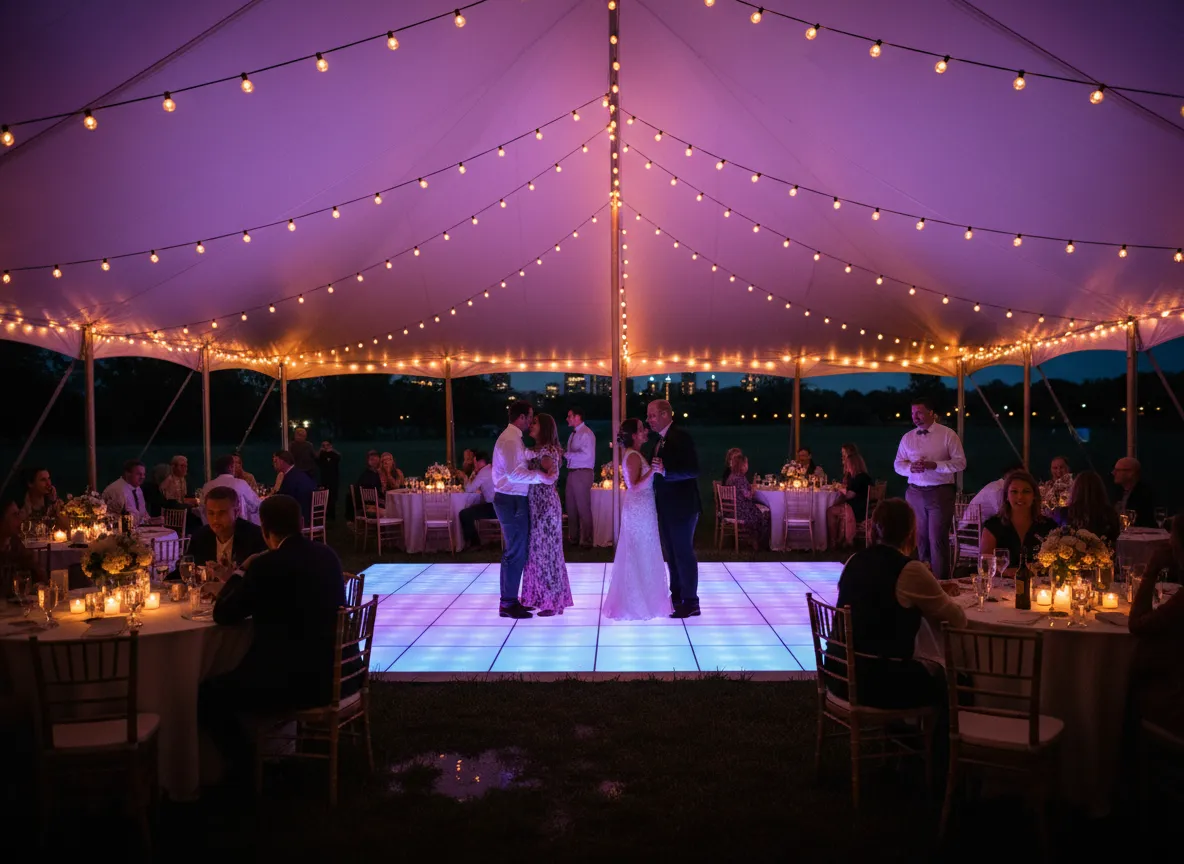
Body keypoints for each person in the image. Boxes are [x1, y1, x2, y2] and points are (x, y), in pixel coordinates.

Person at [197, 495, 345, 777]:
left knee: (207, 694)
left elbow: (223, 614)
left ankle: (246, 767)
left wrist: (241, 571)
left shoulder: (266, 566)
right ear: (301, 523)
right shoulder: (328, 555)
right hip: (334, 674)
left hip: (289, 683)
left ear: (263, 528)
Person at [823, 498, 966, 709]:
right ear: (910, 532)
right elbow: (958, 620)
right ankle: (935, 741)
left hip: (837, 672)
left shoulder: (854, 560)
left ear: (874, 529)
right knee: (957, 681)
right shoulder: (910, 569)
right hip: (878, 681)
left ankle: (901, 731)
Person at [602, 418, 671, 620]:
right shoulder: (632, 456)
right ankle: (634, 602)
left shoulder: (636, 453)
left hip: (645, 508)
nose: (645, 431)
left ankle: (647, 598)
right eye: (641, 429)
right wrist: (653, 471)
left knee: (645, 550)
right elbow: (634, 485)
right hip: (638, 509)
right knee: (637, 550)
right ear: (633, 435)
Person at [492, 401, 556, 619]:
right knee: (515, 552)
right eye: (529, 417)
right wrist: (541, 476)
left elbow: (520, 458)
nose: (530, 421)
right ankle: (508, 603)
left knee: (517, 551)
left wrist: (535, 453)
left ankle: (510, 600)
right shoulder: (510, 440)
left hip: (514, 499)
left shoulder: (514, 440)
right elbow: (513, 474)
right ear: (521, 417)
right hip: (510, 499)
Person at [894, 397, 966, 580]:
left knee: (937, 539)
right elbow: (897, 464)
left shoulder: (948, 435)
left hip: (940, 491)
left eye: (919, 412)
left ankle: (943, 583)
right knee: (919, 539)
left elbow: (960, 463)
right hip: (914, 492)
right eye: (912, 413)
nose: (915, 417)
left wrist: (935, 465)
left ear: (931, 413)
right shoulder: (907, 437)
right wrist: (910, 467)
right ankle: (922, 580)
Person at [1127, 512, 1184, 739]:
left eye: (1173, 540)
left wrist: (1151, 571)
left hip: (1176, 705)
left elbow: (1137, 625)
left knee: (1120, 692)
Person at [647, 399, 702, 618]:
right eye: (648, 416)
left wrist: (667, 471)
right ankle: (677, 596)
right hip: (667, 507)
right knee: (671, 554)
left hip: (683, 507)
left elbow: (693, 469)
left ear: (664, 415)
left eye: (652, 415)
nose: (649, 420)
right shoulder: (660, 441)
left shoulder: (680, 438)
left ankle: (691, 601)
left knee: (683, 553)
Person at [520, 413, 573, 617]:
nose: (530, 425)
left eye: (534, 423)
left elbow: (551, 475)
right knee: (536, 553)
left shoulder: (547, 450)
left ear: (544, 428)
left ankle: (552, 602)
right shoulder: (535, 450)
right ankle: (536, 597)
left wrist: (545, 476)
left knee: (547, 554)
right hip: (536, 506)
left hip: (545, 508)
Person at [980, 469, 1058, 574]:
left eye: (1026, 491)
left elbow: (1058, 565)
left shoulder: (1048, 526)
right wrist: (1009, 572)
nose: (1020, 497)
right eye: (1014, 491)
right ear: (1006, 496)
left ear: (1034, 496)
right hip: (1001, 587)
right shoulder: (993, 526)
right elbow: (985, 565)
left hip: (1038, 587)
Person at [181, 485, 267, 579]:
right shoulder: (200, 536)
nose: (215, 519)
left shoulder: (255, 537)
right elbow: (187, 570)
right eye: (211, 513)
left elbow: (261, 579)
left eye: (222, 513)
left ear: (236, 512)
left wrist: (231, 576)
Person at [826, 444, 873, 549]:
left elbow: (849, 495)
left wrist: (841, 489)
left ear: (853, 465)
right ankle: (838, 540)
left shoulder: (859, 478)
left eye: (848, 465)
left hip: (857, 508)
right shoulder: (864, 476)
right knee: (834, 509)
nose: (846, 468)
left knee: (830, 511)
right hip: (865, 507)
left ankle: (834, 542)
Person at [1059, 469, 1121, 546]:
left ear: (1075, 488)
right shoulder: (1109, 513)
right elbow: (1116, 538)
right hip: (1104, 554)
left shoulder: (1066, 512)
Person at [563, 406, 596, 548]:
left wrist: (566, 454)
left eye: (570, 416)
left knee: (583, 507)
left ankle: (587, 539)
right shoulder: (573, 434)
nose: (567, 419)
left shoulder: (586, 434)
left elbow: (586, 455)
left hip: (582, 472)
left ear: (578, 417)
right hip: (572, 472)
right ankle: (573, 537)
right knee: (570, 506)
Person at [1, 496, 45, 597]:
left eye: (19, 514)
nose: (20, 519)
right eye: (15, 515)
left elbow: (38, 574)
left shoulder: (15, 543)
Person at [724, 452, 770, 549]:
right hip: (740, 511)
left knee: (759, 510)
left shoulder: (733, 476)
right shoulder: (739, 479)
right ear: (742, 466)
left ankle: (754, 540)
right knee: (764, 514)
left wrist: (751, 485)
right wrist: (753, 489)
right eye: (746, 464)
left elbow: (744, 489)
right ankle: (759, 542)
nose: (747, 466)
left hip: (732, 510)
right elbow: (748, 495)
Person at [200, 454, 262, 525]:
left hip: (213, 529)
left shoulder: (207, 486)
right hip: (238, 529)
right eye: (234, 465)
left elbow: (202, 510)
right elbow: (256, 504)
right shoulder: (240, 483)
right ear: (231, 467)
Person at [961, 460, 1025, 527]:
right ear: (1007, 475)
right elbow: (1003, 514)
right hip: (972, 527)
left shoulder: (1001, 487)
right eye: (1018, 476)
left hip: (980, 524)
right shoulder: (998, 490)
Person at [459, 450, 495, 547]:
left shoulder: (483, 473)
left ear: (479, 462)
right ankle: (474, 542)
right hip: (500, 505)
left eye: (474, 461)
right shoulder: (490, 469)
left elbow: (469, 489)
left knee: (464, 514)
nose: (474, 464)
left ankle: (474, 543)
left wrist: (465, 477)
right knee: (472, 509)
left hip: (494, 507)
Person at [102, 459, 151, 525]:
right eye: (139, 474)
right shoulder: (116, 490)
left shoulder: (137, 488)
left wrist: (151, 520)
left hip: (139, 529)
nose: (142, 477)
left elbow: (142, 513)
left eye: (143, 474)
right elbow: (113, 518)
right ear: (127, 474)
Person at [273, 450, 316, 525]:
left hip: (298, 516)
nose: (274, 464)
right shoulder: (300, 474)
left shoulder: (290, 478)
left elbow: (284, 498)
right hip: (310, 514)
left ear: (282, 461)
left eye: (275, 461)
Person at [1112, 457, 1156, 528]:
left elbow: (1145, 522)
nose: (1113, 473)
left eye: (1118, 470)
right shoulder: (1116, 492)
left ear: (1131, 473)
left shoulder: (1145, 494)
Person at [351, 450, 383, 522]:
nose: (375, 462)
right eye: (372, 460)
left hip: (372, 505)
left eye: (376, 459)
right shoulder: (367, 476)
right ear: (368, 461)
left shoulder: (375, 474)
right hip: (368, 507)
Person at [316, 440, 341, 522]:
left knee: (332, 497)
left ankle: (332, 515)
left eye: (327, 445)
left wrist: (331, 450)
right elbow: (316, 459)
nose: (326, 447)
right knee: (324, 496)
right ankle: (324, 514)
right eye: (324, 445)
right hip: (324, 479)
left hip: (333, 479)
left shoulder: (334, 455)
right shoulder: (321, 455)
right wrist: (321, 450)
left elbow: (338, 457)